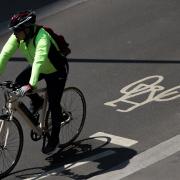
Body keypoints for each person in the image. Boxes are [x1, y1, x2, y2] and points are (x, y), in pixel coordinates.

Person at [0, 10, 69, 154]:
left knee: (54, 104)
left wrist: (31, 85)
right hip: (41, 68)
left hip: (56, 71)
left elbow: (39, 60)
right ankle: (37, 101)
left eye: (17, 31)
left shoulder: (42, 37)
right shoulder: (19, 37)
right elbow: (4, 55)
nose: (15, 34)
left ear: (27, 29)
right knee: (19, 81)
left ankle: (54, 138)